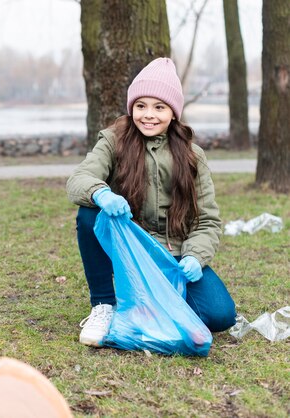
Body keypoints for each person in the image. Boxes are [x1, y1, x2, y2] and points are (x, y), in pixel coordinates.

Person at [66, 57, 236, 348]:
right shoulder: (113, 140)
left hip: (175, 256)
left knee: (220, 315)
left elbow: (207, 220)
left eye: (159, 107)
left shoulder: (193, 155)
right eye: (141, 105)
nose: (148, 115)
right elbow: (79, 179)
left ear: (173, 112)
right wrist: (101, 193)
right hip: (131, 249)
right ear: (131, 107)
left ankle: (157, 308)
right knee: (88, 214)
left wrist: (195, 256)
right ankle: (105, 306)